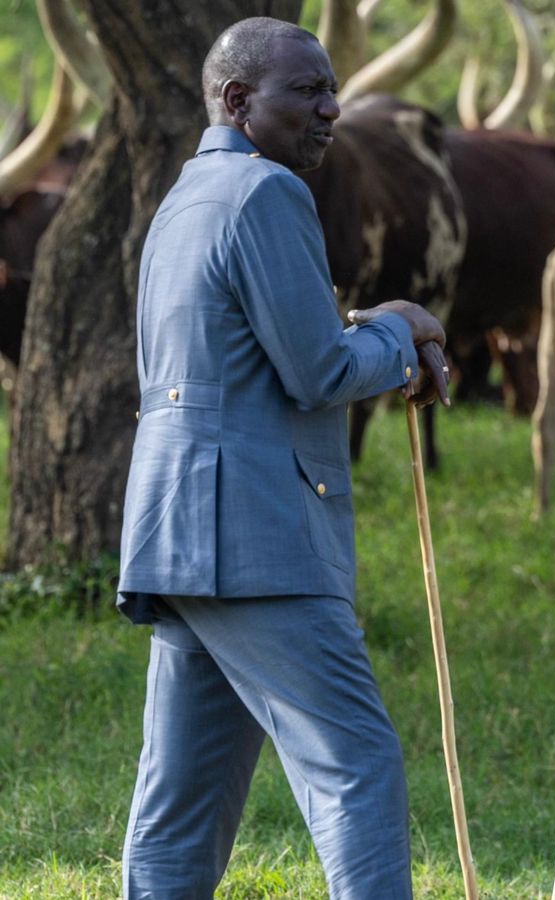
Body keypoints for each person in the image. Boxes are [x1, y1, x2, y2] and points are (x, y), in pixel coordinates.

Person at [117, 17, 448, 898]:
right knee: (358, 765)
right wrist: (399, 329)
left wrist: (373, 324)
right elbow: (319, 370)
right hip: (257, 536)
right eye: (305, 90)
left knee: (179, 806)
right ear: (236, 100)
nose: (332, 108)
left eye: (331, 88)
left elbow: (243, 358)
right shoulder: (267, 194)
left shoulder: (183, 198)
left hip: (176, 535)